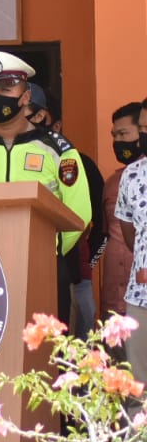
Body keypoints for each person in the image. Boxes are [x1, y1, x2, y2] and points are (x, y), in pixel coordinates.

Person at [0, 53, 91, 266]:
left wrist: (50, 251)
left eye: (6, 90)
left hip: (42, 262)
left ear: (26, 96)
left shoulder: (57, 149)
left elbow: (79, 212)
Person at [25, 84, 104, 336]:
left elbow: (97, 223)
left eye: (33, 116)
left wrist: (86, 264)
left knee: (71, 340)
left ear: (55, 125)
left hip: (70, 271)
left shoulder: (79, 164)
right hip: (15, 267)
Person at [102, 102, 146, 319]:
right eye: (114, 135)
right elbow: (104, 235)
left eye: (123, 133)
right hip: (116, 293)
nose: (117, 141)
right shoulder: (113, 182)